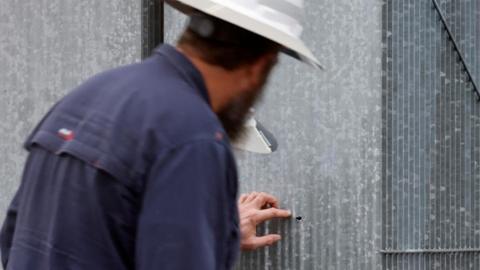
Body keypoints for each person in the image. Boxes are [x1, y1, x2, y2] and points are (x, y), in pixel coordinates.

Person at [0, 0, 322, 269]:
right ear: (260, 65)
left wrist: (216, 229)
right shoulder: (192, 137)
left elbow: (19, 240)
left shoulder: (88, 96)